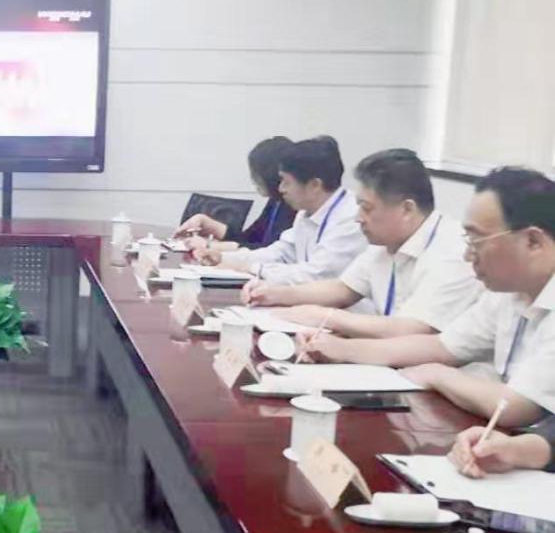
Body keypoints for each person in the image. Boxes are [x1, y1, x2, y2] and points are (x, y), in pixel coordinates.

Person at [300, 167, 555, 428]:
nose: (468, 255)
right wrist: (341, 349)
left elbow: (518, 407)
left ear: (533, 241)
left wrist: (437, 374)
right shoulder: (509, 292)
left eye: (476, 240)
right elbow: (442, 347)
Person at [242, 149, 480, 337]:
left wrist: (326, 318)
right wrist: (277, 294)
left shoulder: (453, 251)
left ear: (407, 209)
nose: (358, 218)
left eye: (366, 208)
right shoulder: (383, 243)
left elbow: (414, 329)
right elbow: (342, 289)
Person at [197, 135, 366, 283]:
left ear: (314, 185)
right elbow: (281, 253)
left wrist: (254, 268)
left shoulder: (350, 218)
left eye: (287, 182)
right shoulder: (306, 211)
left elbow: (315, 275)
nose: (281, 188)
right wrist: (225, 258)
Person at [173, 136, 296, 253]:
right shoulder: (276, 202)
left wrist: (210, 245)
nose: (253, 179)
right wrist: (209, 224)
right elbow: (250, 239)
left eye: (256, 173)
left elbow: (270, 252)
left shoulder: (294, 206)